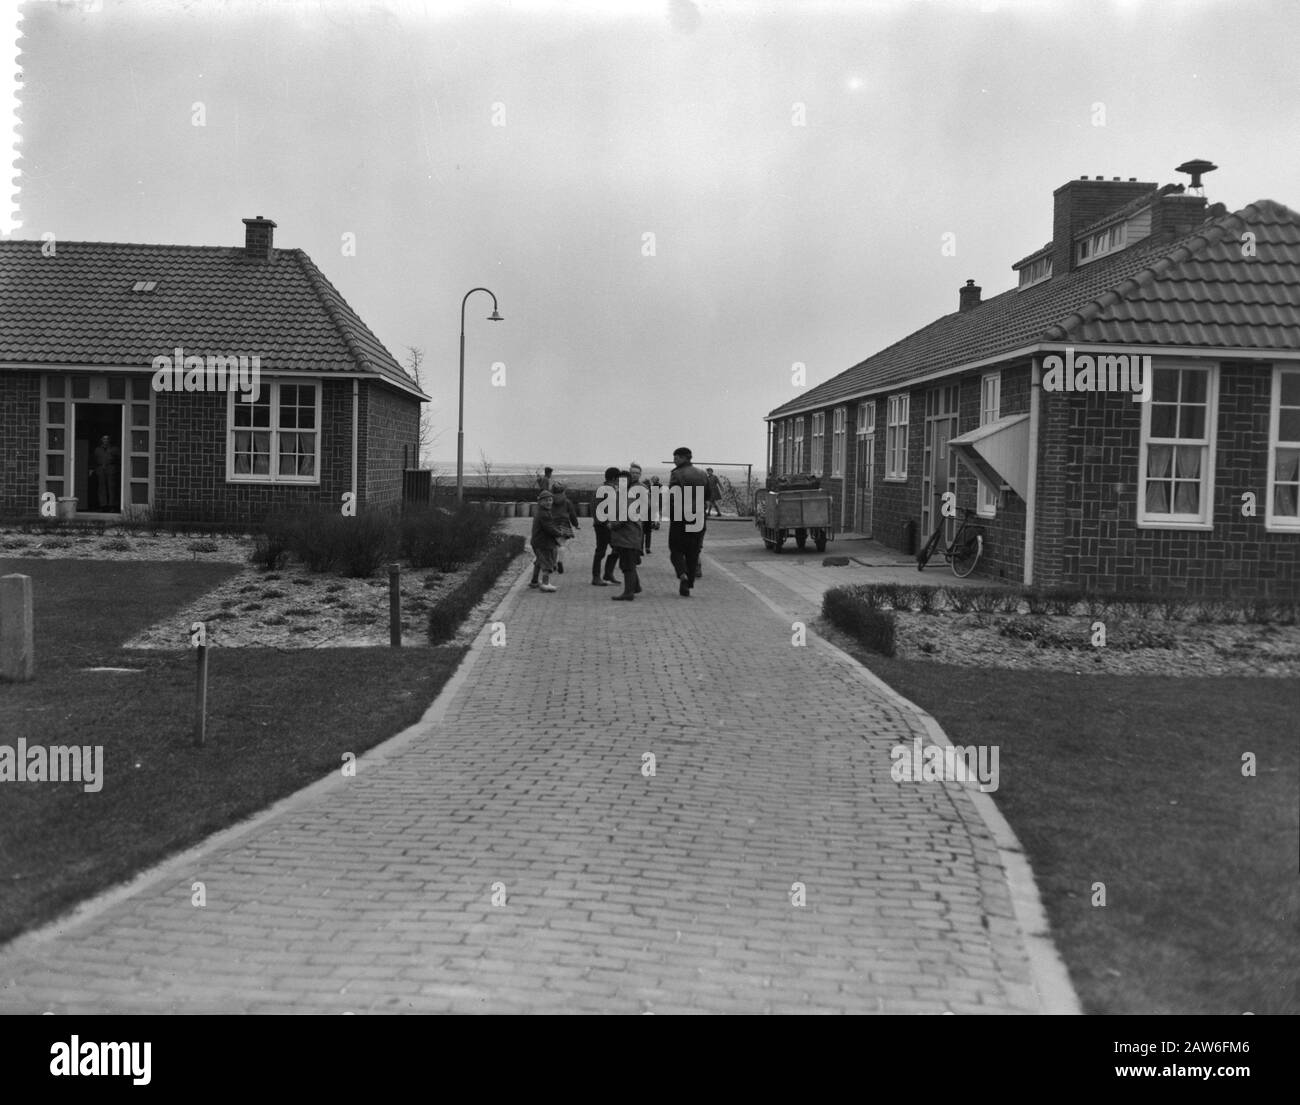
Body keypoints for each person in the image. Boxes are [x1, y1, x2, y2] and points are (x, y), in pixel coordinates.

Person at [669, 446, 707, 597]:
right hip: (698, 517)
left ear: (684, 458)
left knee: (675, 549)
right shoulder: (703, 474)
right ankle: (690, 581)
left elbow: (673, 495)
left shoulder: (677, 473)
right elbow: (708, 494)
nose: (674, 460)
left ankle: (682, 573)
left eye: (676, 457)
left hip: (680, 516)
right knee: (693, 551)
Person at [607, 470, 643, 601]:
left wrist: (612, 525)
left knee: (627, 565)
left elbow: (624, 517)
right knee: (629, 563)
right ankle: (636, 586)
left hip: (628, 536)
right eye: (618, 481)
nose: (619, 483)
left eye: (623, 481)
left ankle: (628, 593)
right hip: (629, 536)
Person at [529, 490, 563, 592]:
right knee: (547, 564)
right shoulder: (544, 514)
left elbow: (550, 525)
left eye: (550, 500)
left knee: (539, 561)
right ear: (540, 502)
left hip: (537, 542)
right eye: (546, 500)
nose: (549, 502)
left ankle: (534, 581)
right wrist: (560, 533)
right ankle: (545, 584)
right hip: (543, 543)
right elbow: (549, 528)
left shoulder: (541, 511)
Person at [592, 466, 620, 586]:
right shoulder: (604, 490)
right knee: (601, 551)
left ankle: (608, 573)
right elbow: (595, 507)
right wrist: (604, 522)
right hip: (603, 525)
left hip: (611, 525)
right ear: (614, 478)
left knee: (617, 549)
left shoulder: (612, 489)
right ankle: (596, 577)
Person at [550, 481, 578, 574]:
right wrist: (576, 524)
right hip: (564, 524)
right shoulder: (567, 501)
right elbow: (572, 514)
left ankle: (553, 564)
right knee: (562, 545)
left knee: (552, 545)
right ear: (563, 491)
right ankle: (560, 561)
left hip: (552, 524)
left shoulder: (549, 500)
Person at [92, 435, 119, 512]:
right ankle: (103, 506)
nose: (105, 440)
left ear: (109, 440)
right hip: (100, 468)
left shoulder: (114, 449)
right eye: (104, 439)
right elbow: (93, 460)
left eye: (107, 439)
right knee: (101, 488)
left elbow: (119, 460)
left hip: (111, 468)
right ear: (101, 440)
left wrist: (116, 468)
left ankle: (112, 506)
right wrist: (95, 469)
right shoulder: (97, 449)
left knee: (112, 487)